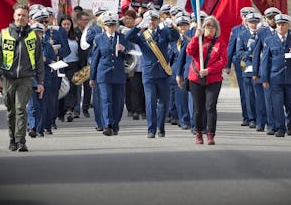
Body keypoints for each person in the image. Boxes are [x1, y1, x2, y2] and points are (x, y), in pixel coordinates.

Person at [0, 3, 45, 152]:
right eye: (19, 15)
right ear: (14, 16)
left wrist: (40, 82)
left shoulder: (33, 35)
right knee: (11, 111)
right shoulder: (4, 34)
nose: (21, 17)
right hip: (8, 78)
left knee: (21, 108)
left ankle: (21, 141)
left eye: (24, 15)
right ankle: (12, 139)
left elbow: (39, 60)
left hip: (26, 78)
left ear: (28, 18)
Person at [125, 9, 179, 138]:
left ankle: (161, 127)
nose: (151, 22)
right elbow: (128, 37)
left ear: (158, 20)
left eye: (154, 19)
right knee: (150, 101)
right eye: (149, 20)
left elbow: (175, 37)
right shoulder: (143, 35)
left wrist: (171, 26)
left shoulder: (164, 32)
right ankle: (151, 129)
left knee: (164, 102)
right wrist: (138, 26)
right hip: (149, 74)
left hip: (163, 73)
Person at [261, 14, 291, 137]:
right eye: (279, 24)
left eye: (283, 24)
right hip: (275, 77)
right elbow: (265, 60)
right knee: (277, 104)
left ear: (288, 25)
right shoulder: (269, 40)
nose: (280, 26)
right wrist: (264, 78)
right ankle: (280, 128)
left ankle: (289, 121)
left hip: (290, 78)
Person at [186, 16, 228, 145]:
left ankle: (210, 134)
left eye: (212, 26)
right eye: (207, 26)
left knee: (210, 106)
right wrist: (195, 37)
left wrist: (209, 69)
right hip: (196, 78)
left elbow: (223, 61)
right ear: (202, 28)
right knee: (198, 108)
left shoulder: (220, 43)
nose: (209, 28)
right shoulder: (198, 40)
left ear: (216, 29)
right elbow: (189, 51)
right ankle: (198, 132)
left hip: (213, 79)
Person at [89, 11, 129, 136]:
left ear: (116, 26)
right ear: (104, 26)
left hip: (118, 74)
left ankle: (115, 124)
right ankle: (107, 125)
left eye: (113, 25)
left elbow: (128, 57)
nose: (111, 28)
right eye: (108, 25)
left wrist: (123, 50)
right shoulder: (99, 38)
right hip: (103, 73)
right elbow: (95, 57)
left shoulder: (121, 37)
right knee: (106, 100)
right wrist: (92, 76)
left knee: (118, 102)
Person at [252, 7, 281, 135]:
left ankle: (281, 123)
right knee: (268, 100)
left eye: (274, 17)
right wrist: (255, 72)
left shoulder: (285, 32)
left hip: (281, 71)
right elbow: (257, 52)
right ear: (266, 19)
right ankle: (271, 125)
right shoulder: (262, 33)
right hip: (266, 71)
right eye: (270, 18)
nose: (272, 20)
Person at [225, 6, 256, 127]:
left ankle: (257, 115)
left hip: (256, 63)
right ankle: (247, 116)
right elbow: (231, 47)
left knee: (255, 91)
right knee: (245, 91)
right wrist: (227, 65)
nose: (246, 19)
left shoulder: (258, 29)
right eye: (244, 16)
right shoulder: (236, 30)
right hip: (241, 64)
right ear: (241, 17)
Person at [237, 12, 266, 131]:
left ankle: (261, 119)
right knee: (249, 95)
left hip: (260, 68)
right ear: (247, 23)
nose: (253, 25)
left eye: (256, 22)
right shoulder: (242, 35)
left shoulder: (263, 34)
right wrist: (249, 54)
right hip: (248, 66)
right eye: (251, 22)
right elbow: (239, 52)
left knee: (260, 96)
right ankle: (251, 118)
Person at [59, 14, 80, 122]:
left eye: (68, 24)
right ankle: (60, 111)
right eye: (64, 24)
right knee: (62, 87)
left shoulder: (76, 36)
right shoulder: (57, 35)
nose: (66, 26)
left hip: (73, 65)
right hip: (61, 65)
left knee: (72, 88)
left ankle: (69, 110)